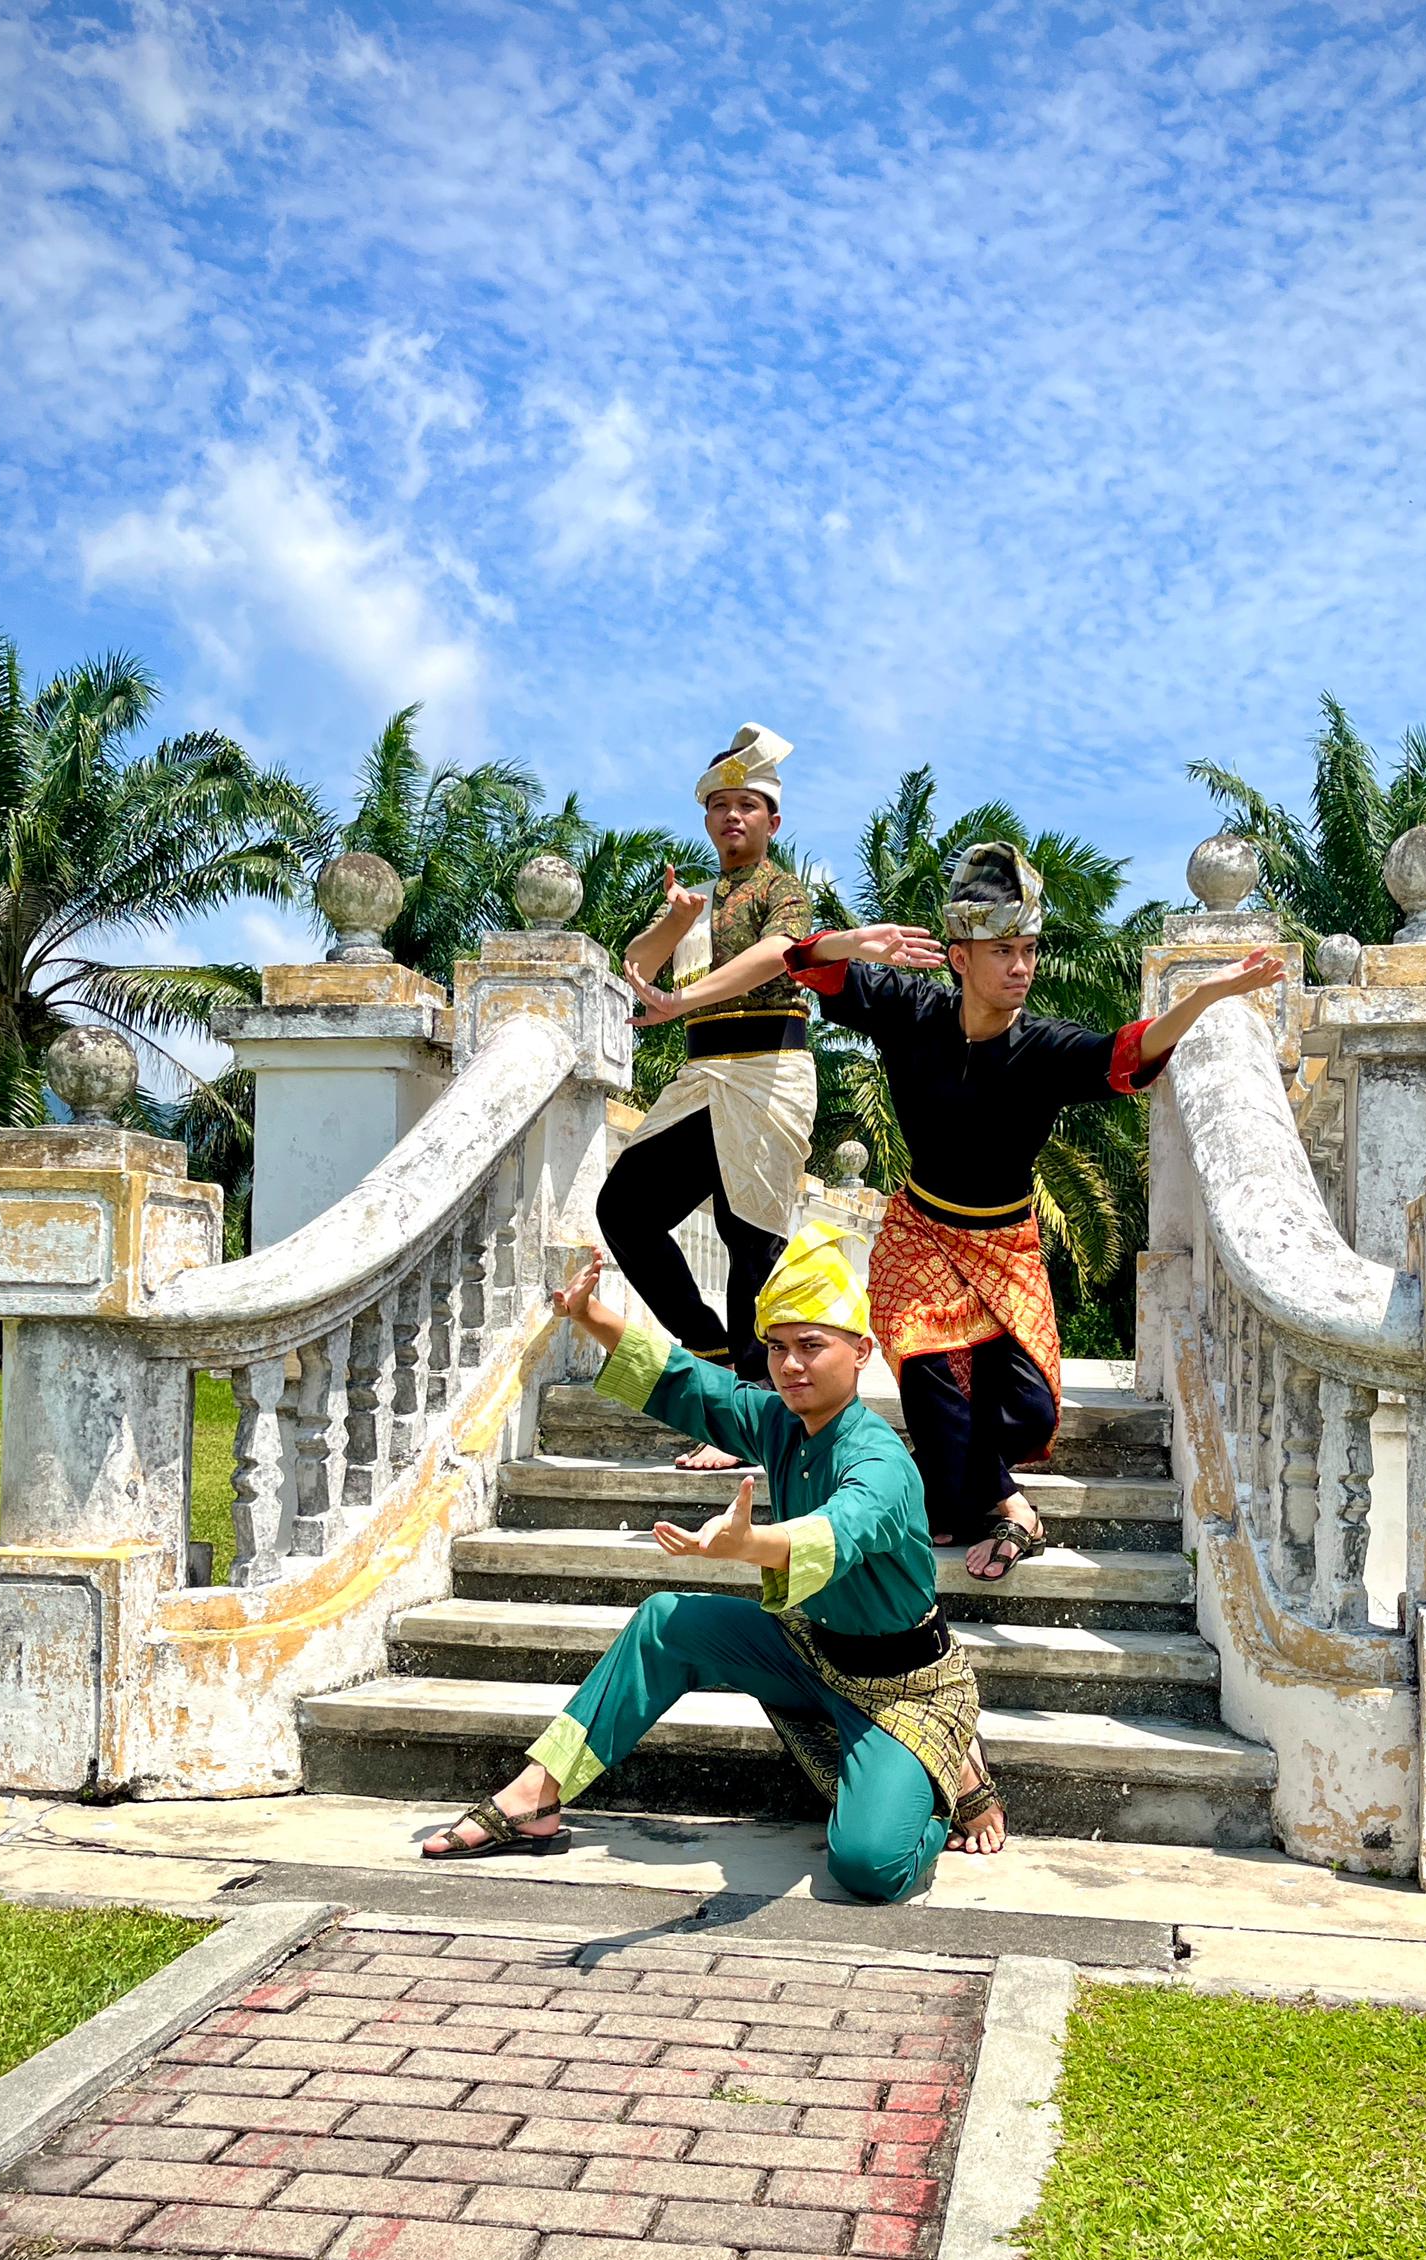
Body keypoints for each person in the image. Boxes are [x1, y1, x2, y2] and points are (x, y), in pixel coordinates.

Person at [634, 839, 1282, 1577]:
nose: (1020, 966)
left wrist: (1202, 998)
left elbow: (1124, 1056)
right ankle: (1007, 1506)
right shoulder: (912, 1012)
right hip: (918, 1232)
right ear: (958, 957)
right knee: (930, 1367)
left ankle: (946, 1481)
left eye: (1029, 950)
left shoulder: (1043, 1048)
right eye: (1003, 950)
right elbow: (813, 966)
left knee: (1031, 1415)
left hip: (1006, 1245)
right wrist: (854, 941)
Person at [421, 1220, 1006, 1877]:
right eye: (778, 1347)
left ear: (862, 1351)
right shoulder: (782, 1423)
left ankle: (949, 1775)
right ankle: (537, 1793)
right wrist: (587, 1314)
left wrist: (749, 1543)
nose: (790, 1365)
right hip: (812, 1651)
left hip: (904, 1688)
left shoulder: (879, 1459)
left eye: (811, 1346)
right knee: (667, 1622)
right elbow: (689, 1386)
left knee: (870, 1866)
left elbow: (838, 1530)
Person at [595, 723, 814, 1471]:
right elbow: (637, 965)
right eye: (720, 806)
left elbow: (775, 957)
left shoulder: (787, 893)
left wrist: (681, 1002)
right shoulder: (699, 895)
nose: (732, 818)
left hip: (770, 1070)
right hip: (701, 1078)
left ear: (771, 820)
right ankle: (710, 1348)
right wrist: (677, 921)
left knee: (748, 1233)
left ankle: (749, 1412)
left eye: (746, 806)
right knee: (623, 1207)